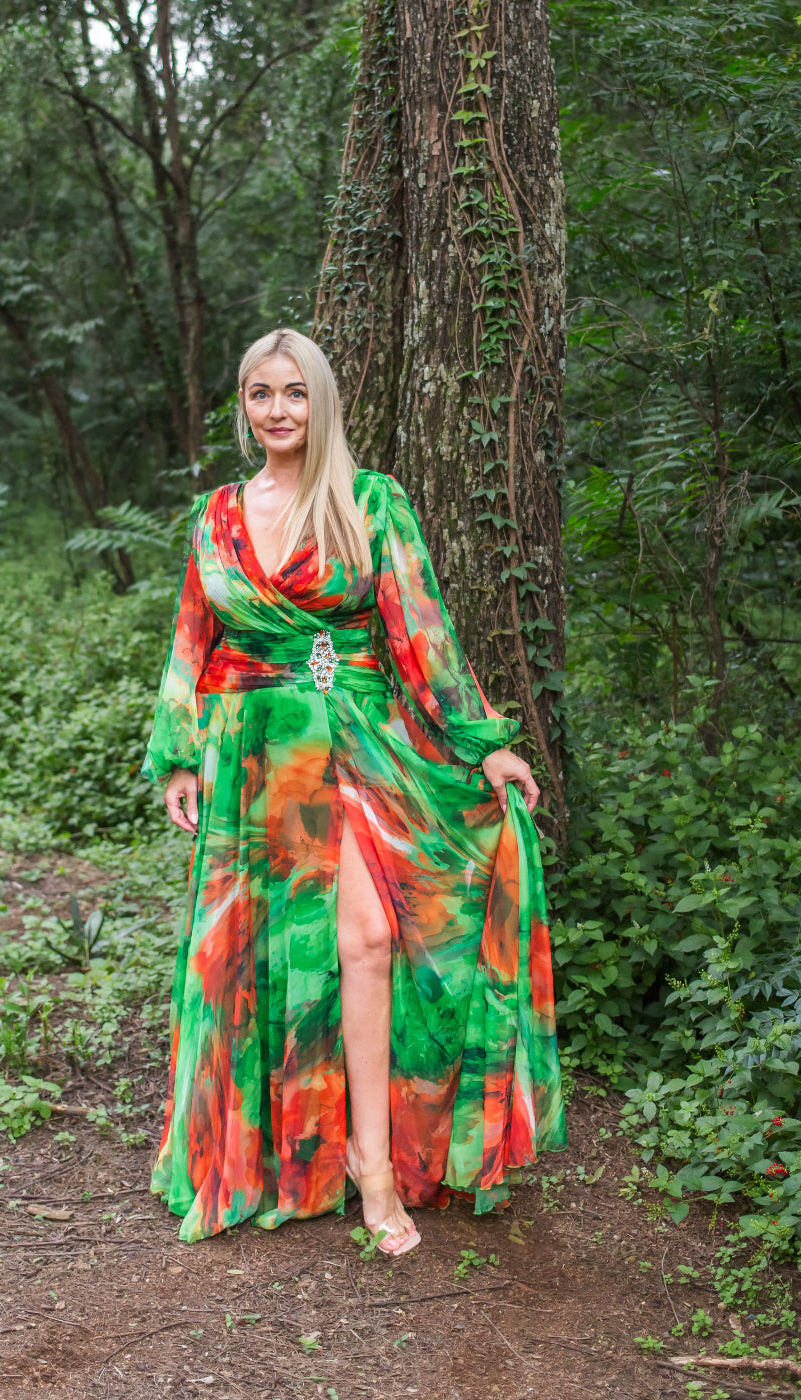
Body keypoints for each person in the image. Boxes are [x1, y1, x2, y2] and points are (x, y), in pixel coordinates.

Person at [141, 327, 566, 1255]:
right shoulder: (216, 513)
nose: (279, 412)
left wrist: (484, 743)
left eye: (296, 394)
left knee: (369, 939)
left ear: (322, 402)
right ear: (244, 406)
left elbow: (423, 629)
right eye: (261, 395)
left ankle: (375, 1168)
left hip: (365, 741)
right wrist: (176, 751)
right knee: (259, 960)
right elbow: (191, 638)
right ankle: (288, 1157)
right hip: (257, 757)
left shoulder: (371, 501)